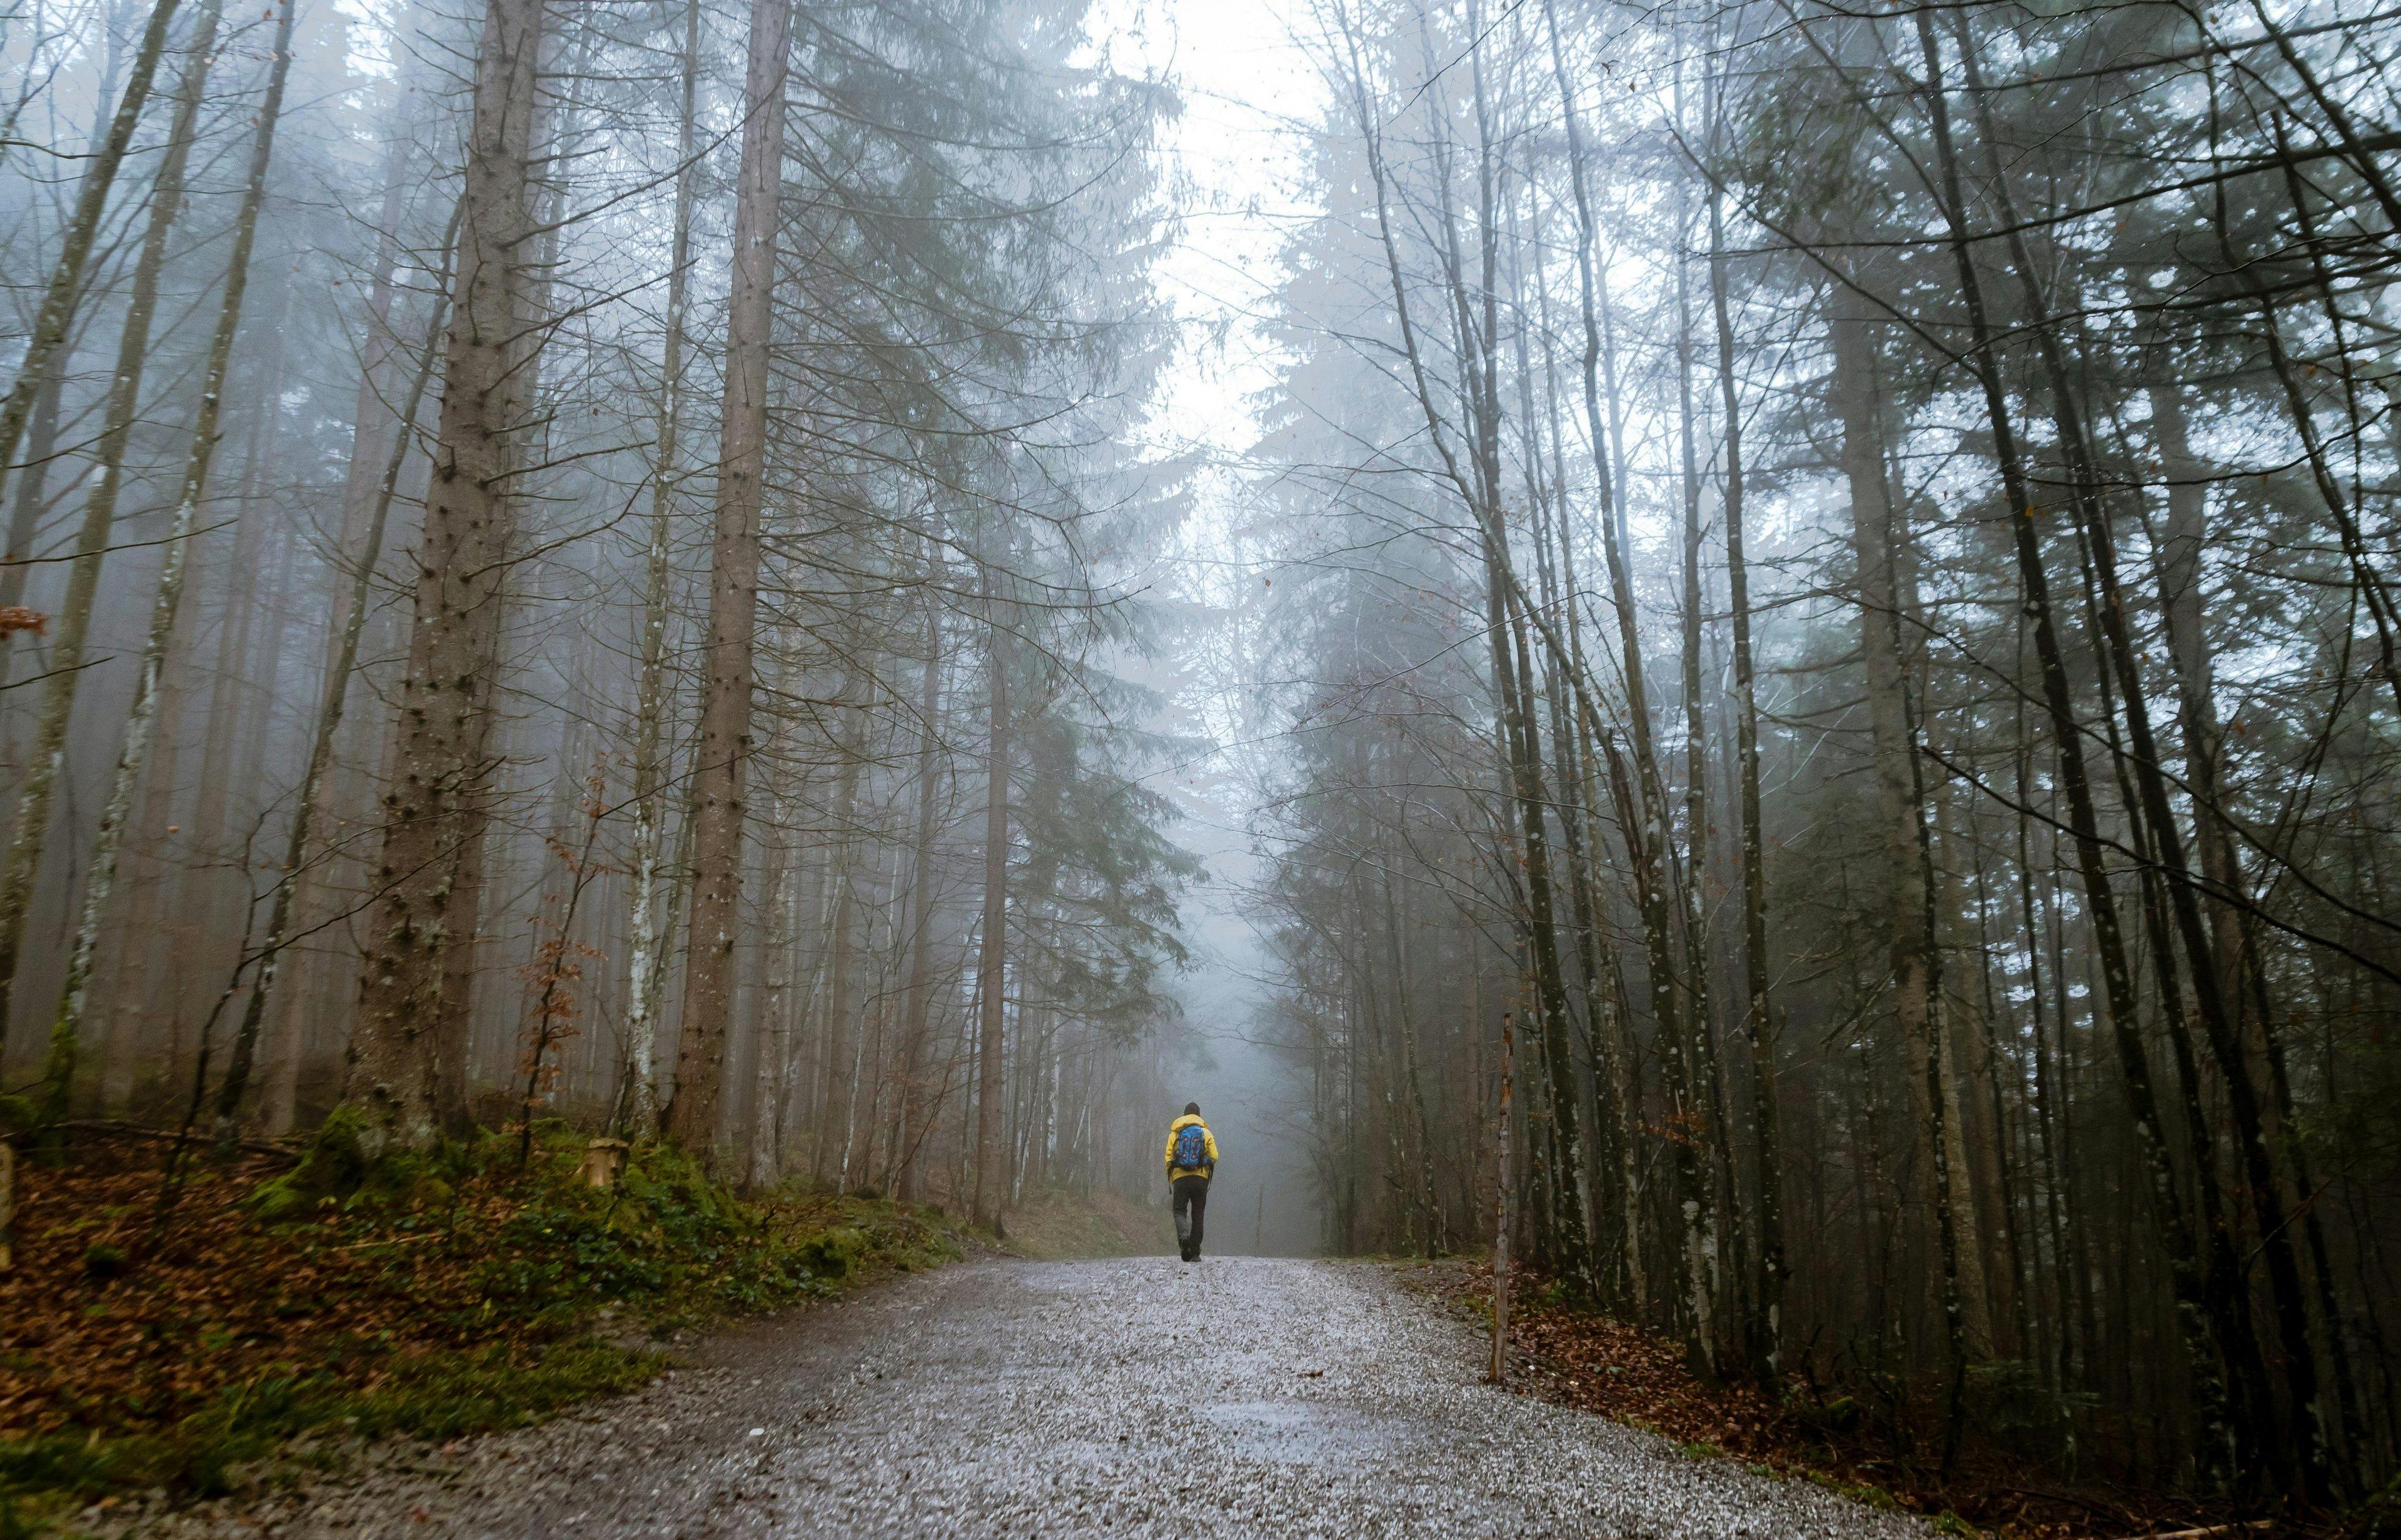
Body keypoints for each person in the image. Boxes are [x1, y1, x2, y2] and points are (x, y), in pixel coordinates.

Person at [1163, 1102, 1218, 1262]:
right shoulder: (1205, 1133)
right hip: (1200, 1179)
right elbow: (1215, 1156)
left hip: (1181, 1179)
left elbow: (1168, 1158)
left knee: (1180, 1211)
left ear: (1184, 1115)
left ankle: (1184, 1237)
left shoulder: (1175, 1134)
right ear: (1199, 1116)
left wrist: (1175, 1169)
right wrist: (1202, 1162)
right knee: (1198, 1214)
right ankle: (1194, 1252)